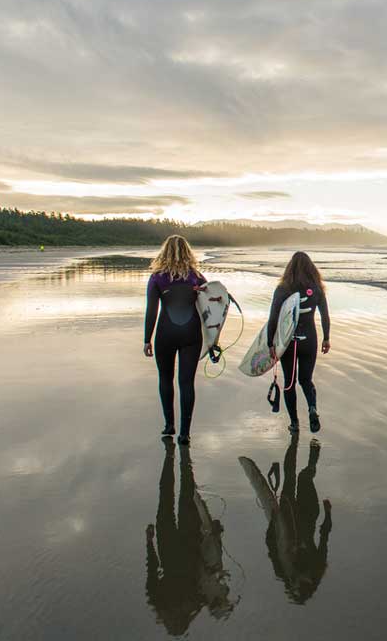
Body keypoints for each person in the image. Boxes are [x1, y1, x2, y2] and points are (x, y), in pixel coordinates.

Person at [145, 439, 235, 631]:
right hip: (186, 541)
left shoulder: (170, 603)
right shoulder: (193, 602)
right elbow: (208, 571)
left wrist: (149, 542)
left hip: (172, 544)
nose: (174, 618)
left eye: (172, 621)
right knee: (179, 494)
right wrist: (214, 534)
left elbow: (152, 574)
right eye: (177, 621)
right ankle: (179, 457)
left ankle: (174, 456)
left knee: (171, 495)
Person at [238, 436, 332, 604]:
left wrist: (274, 521)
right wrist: (328, 513)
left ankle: (294, 443)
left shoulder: (281, 569)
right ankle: (310, 456)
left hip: (285, 516)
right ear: (310, 580)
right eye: (307, 578)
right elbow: (324, 537)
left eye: (300, 579)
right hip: (308, 514)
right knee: (304, 477)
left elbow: (269, 543)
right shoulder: (317, 567)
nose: (305, 576)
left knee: (289, 477)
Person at [144, 235, 207, 445]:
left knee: (165, 378)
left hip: (165, 333)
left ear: (164, 252)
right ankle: (184, 433)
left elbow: (151, 311)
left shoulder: (157, 278)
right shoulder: (196, 277)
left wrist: (147, 339)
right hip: (191, 334)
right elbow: (214, 304)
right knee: (186, 383)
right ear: (188, 253)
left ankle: (169, 424)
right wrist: (213, 339)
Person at [267, 251, 330, 433]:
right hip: (309, 340)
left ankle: (294, 424)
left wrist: (271, 343)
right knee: (306, 380)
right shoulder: (317, 288)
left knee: (290, 382)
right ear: (311, 268)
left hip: (289, 343)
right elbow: (325, 315)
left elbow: (273, 318)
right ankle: (312, 408)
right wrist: (327, 337)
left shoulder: (283, 289)